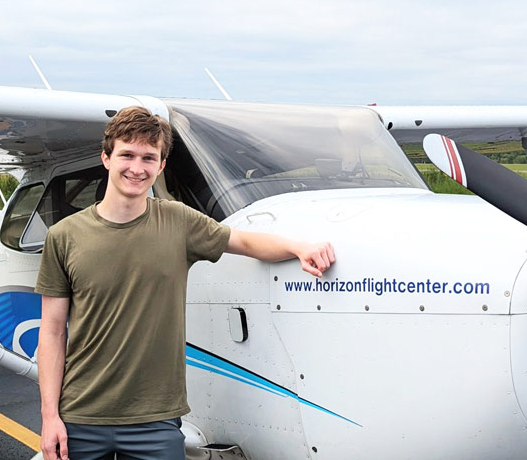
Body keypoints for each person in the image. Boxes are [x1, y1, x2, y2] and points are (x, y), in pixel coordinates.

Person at [35, 106, 335, 460]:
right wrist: (50, 416)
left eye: (149, 158)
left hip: (157, 419)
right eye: (127, 155)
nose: (137, 167)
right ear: (106, 158)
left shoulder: (179, 222)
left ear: (161, 166)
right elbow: (53, 332)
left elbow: (245, 242)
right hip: (80, 416)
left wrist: (298, 247)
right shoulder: (64, 235)